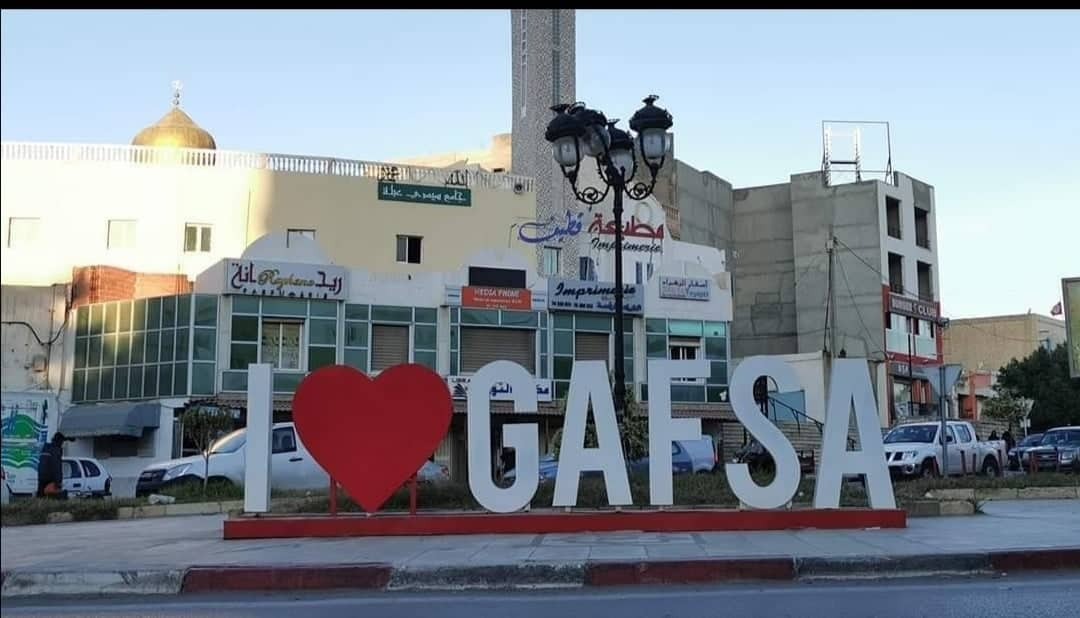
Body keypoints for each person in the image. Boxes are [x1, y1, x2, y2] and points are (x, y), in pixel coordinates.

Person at [35, 432, 66, 499]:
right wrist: (58, 482)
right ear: (60, 441)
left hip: (41, 477)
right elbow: (56, 467)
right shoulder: (56, 450)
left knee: (40, 498)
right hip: (51, 479)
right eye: (62, 442)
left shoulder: (45, 448)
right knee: (53, 499)